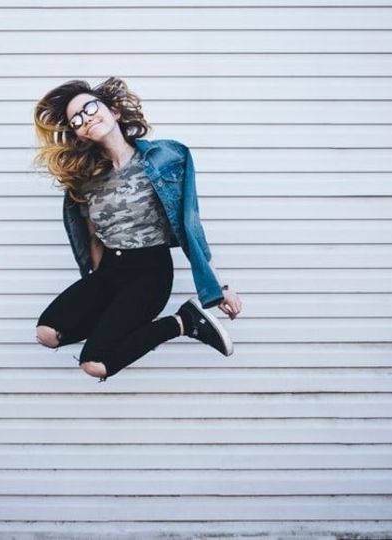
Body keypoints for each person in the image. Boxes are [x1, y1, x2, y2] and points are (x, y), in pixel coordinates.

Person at [32, 76, 242, 382]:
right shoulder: (84, 180)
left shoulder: (166, 159)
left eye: (90, 107)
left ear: (114, 111)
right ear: (79, 134)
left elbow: (190, 226)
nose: (85, 118)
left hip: (150, 273)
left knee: (95, 365)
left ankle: (183, 322)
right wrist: (94, 285)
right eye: (76, 120)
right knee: (47, 332)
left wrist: (216, 288)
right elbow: (91, 236)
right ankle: (124, 323)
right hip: (109, 272)